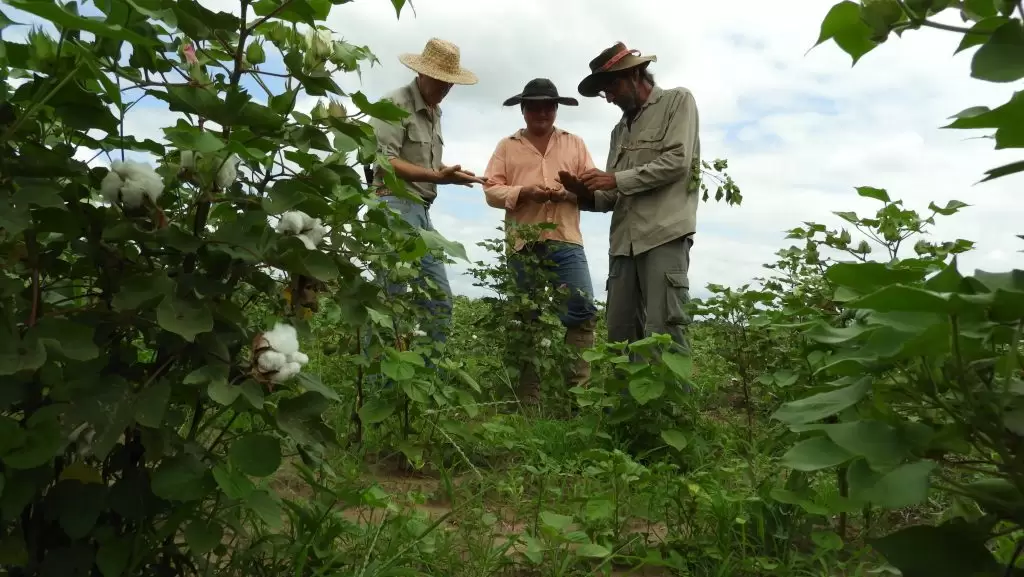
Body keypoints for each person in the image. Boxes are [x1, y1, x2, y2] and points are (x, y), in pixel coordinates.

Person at [559, 42, 700, 356]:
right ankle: (624, 405)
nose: (609, 96)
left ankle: (670, 406)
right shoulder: (618, 130)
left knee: (665, 330)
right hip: (623, 244)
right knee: (620, 333)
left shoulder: (678, 101)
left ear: (636, 74)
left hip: (664, 234)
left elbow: (678, 162)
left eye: (612, 86)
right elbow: (610, 197)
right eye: (603, 91)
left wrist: (615, 179)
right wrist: (582, 192)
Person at [482, 78, 600, 406]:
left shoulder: (574, 144)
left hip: (566, 239)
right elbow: (491, 189)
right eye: (534, 106)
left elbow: (592, 187)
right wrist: (524, 192)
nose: (541, 112)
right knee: (525, 316)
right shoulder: (507, 146)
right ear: (523, 110)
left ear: (556, 109)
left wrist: (570, 191)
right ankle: (527, 400)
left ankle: (578, 396)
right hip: (525, 242)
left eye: (548, 105)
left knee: (581, 308)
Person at [367, 37, 485, 348]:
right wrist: (436, 176)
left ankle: (425, 380)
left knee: (437, 300)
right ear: (423, 73)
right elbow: (384, 161)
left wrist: (450, 174)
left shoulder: (435, 112)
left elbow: (423, 161)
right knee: (389, 300)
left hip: (420, 211)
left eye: (451, 83)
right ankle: (381, 382)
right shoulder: (393, 105)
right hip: (392, 206)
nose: (446, 89)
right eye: (442, 81)